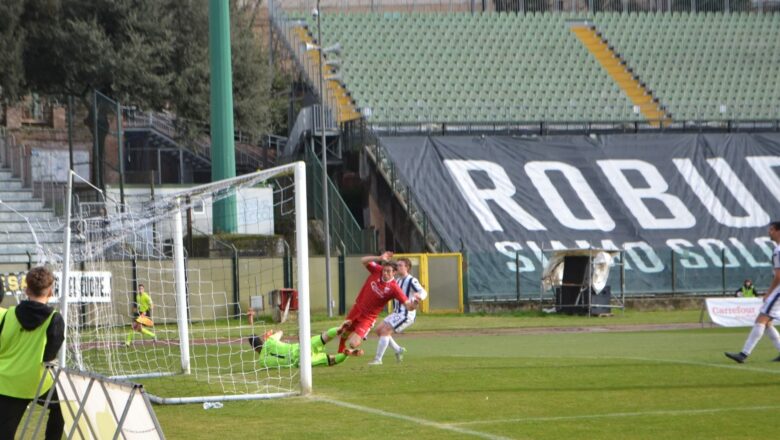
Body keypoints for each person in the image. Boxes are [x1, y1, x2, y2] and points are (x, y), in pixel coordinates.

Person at [0, 266, 65, 440]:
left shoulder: (8, 314)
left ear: (26, 289)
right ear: (50, 292)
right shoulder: (55, 319)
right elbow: (50, 355)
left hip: (7, 383)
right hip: (38, 383)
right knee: (64, 406)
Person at [338, 252, 421, 356]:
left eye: (388, 271)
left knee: (353, 343)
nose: (385, 273)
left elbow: (409, 306)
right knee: (345, 331)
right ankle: (341, 348)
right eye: (384, 270)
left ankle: (351, 349)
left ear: (394, 272)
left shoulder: (394, 288)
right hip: (357, 308)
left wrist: (415, 303)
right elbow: (363, 260)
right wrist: (379, 258)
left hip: (368, 317)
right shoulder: (377, 270)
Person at [725, 221, 780, 363]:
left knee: (761, 320)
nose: (769, 232)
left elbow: (779, 276)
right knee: (767, 322)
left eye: (772, 230)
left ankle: (743, 354)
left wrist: (768, 293)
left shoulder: (778, 250)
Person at [368, 257, 428, 365]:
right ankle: (398, 350)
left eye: (400, 265)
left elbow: (423, 291)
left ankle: (378, 360)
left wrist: (419, 296)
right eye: (397, 265)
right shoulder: (398, 280)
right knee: (379, 330)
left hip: (406, 314)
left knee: (385, 331)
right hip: (397, 312)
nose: (398, 267)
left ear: (407, 267)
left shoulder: (411, 280)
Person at [247, 324, 354, 368]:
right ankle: (338, 329)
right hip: (300, 347)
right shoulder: (270, 341)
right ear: (261, 340)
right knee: (324, 337)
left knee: (331, 360)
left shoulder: (262, 362)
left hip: (299, 361)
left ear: (253, 348)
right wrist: (270, 334)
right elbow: (280, 332)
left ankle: (345, 354)